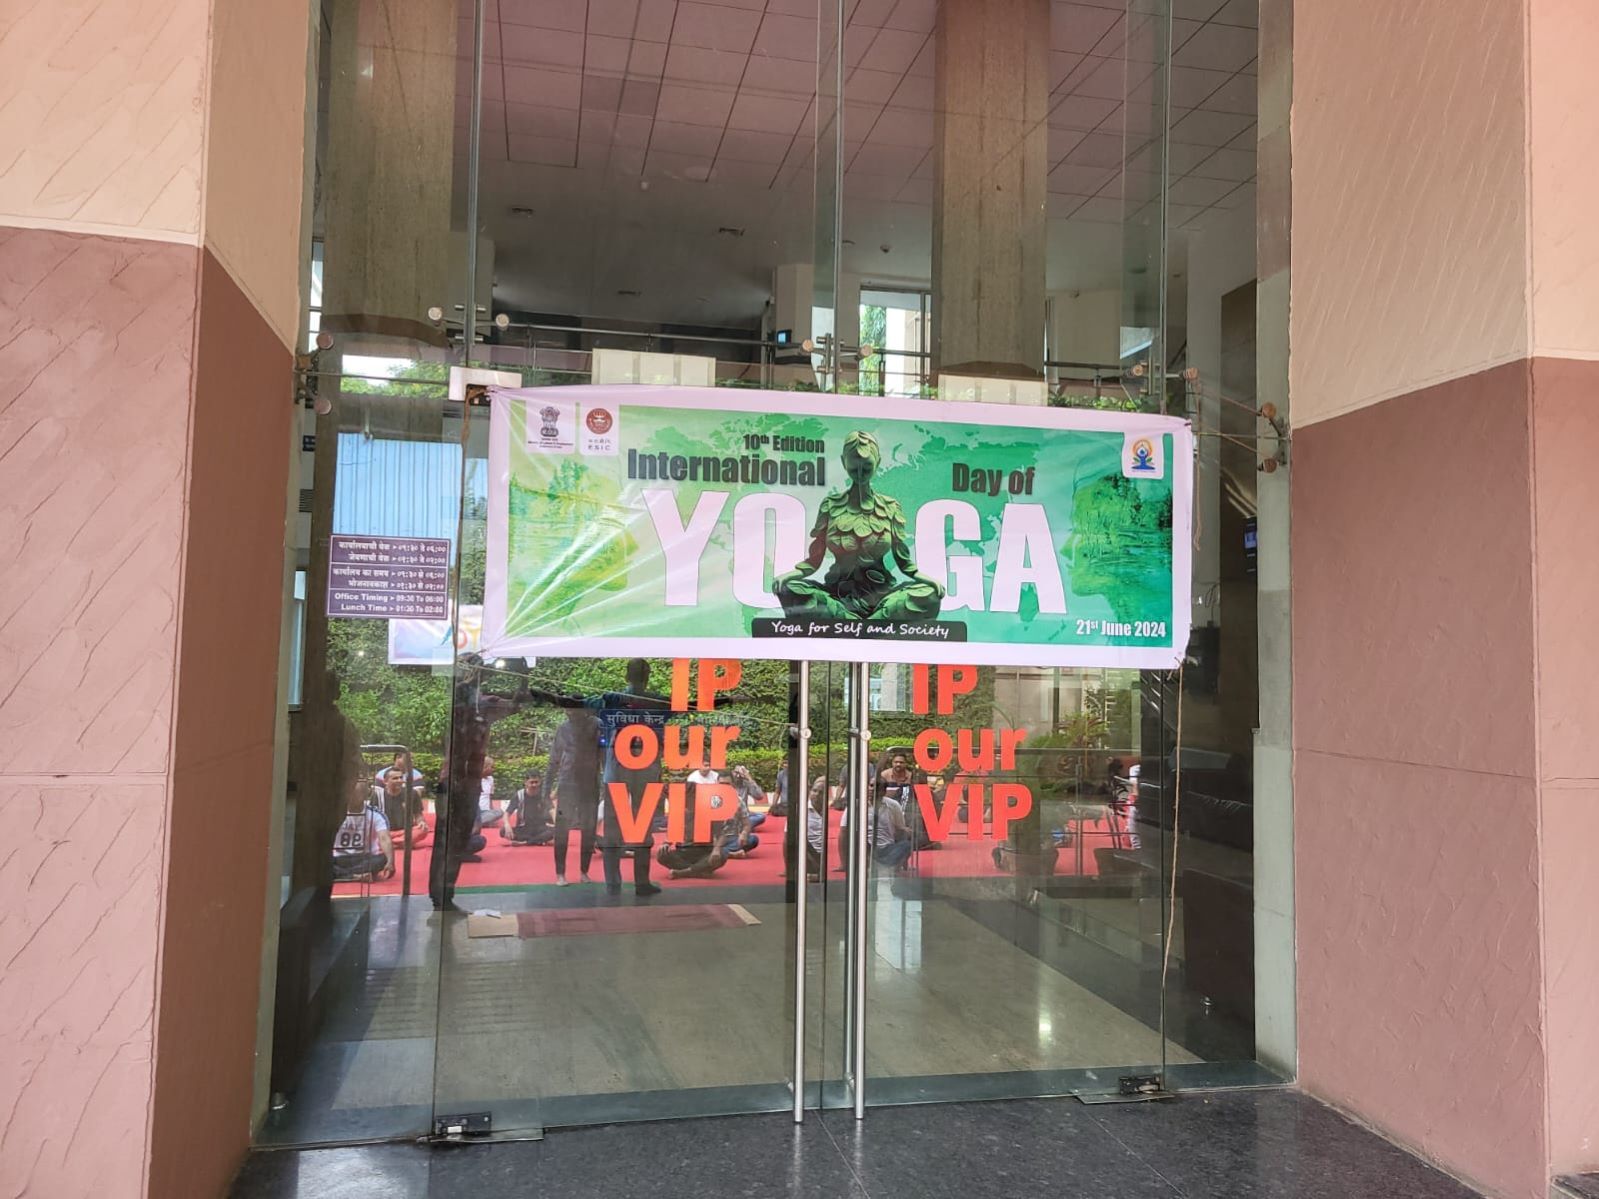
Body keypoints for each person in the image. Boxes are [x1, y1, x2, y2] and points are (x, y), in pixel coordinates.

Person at [430, 658, 527, 912]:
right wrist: (479, 675)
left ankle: (445, 896)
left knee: (458, 841)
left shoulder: (484, 704)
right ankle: (439, 896)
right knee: (445, 842)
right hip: (452, 782)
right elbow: (462, 691)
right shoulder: (461, 699)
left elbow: (516, 705)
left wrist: (523, 677)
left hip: (470, 784)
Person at [544, 707, 601, 885]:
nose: (571, 715)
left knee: (589, 829)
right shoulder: (564, 728)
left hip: (589, 783)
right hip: (568, 782)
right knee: (562, 829)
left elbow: (605, 754)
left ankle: (584, 871)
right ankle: (560, 873)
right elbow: (554, 759)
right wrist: (546, 789)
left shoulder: (596, 725)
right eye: (569, 712)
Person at [333, 781, 394, 882]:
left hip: (364, 857)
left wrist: (391, 861)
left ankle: (342, 875)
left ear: (365, 796)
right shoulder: (335, 813)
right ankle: (355, 876)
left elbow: (384, 838)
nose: (351, 797)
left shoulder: (375, 814)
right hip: (339, 857)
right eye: (348, 793)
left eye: (356, 794)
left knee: (383, 859)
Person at [376, 769, 429, 849]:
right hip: (385, 832)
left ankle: (390, 843)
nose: (400, 780)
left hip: (406, 832)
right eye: (395, 778)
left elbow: (418, 814)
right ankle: (402, 843)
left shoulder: (412, 793)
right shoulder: (378, 795)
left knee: (422, 829)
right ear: (385, 782)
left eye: (401, 777)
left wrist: (421, 822)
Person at [503, 775, 555, 846]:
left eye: (536, 782)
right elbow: (507, 813)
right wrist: (507, 825)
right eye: (532, 782)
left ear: (540, 782)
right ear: (525, 783)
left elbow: (552, 811)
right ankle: (539, 840)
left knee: (555, 831)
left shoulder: (543, 795)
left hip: (540, 828)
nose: (534, 785)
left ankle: (525, 842)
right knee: (503, 831)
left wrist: (557, 824)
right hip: (524, 828)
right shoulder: (519, 795)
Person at [478, 755, 503, 828]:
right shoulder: (475, 779)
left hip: (486, 812)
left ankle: (479, 822)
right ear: (484, 767)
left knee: (500, 812)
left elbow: (490, 797)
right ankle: (479, 822)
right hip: (476, 811)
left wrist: (491, 813)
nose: (493, 769)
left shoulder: (491, 779)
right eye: (491, 767)